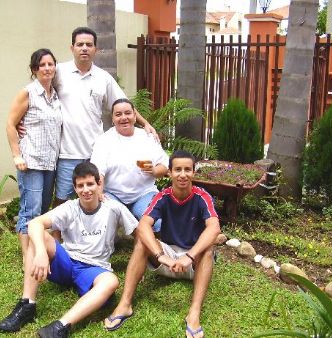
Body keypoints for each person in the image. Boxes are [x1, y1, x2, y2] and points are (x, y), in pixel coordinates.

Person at [18, 27, 157, 207]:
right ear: (72, 48)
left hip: (95, 153)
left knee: (94, 199)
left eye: (89, 45)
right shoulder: (59, 71)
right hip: (66, 152)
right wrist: (19, 122)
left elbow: (123, 104)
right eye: (80, 44)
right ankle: (58, 236)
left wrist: (145, 123)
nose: (84, 48)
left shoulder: (103, 77)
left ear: (95, 50)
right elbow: (36, 94)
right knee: (62, 199)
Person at [0, 162, 139, 337]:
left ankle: (61, 326)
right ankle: (28, 304)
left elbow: (139, 233)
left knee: (111, 282)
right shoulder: (70, 207)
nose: (86, 190)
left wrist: (157, 256)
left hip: (94, 268)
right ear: (75, 188)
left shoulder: (114, 208)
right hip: (66, 261)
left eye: (90, 184)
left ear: (99, 184)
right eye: (80, 185)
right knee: (39, 236)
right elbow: (34, 224)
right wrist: (41, 253)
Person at [104, 150, 221, 338]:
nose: (183, 174)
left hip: (193, 263)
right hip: (167, 259)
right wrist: (161, 256)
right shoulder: (163, 196)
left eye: (187, 170)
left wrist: (188, 257)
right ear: (169, 172)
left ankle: (194, 313)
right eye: (178, 169)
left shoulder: (202, 196)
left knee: (208, 249)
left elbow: (214, 228)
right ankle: (125, 304)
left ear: (194, 172)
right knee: (142, 241)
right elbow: (143, 225)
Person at [6, 49, 62, 267]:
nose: (47, 68)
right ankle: (27, 257)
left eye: (50, 64)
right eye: (42, 65)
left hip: (51, 162)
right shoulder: (28, 93)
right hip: (30, 162)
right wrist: (16, 155)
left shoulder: (55, 95)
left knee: (43, 208)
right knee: (31, 209)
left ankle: (37, 248)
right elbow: (11, 124)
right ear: (34, 70)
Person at [90, 98, 168, 231]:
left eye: (128, 113)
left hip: (144, 193)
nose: (124, 118)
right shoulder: (104, 141)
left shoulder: (148, 137)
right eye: (118, 114)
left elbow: (165, 165)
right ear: (113, 119)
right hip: (113, 194)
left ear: (135, 116)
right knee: (103, 222)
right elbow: (98, 173)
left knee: (158, 223)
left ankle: (141, 225)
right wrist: (99, 193)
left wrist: (154, 171)